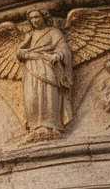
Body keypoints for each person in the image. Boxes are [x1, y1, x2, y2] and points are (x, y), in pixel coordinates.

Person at [17, 10, 74, 140]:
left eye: (37, 17)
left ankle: (51, 125)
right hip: (31, 68)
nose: (35, 20)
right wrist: (26, 53)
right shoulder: (28, 36)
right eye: (32, 18)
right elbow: (19, 52)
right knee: (32, 96)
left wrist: (58, 55)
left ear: (44, 17)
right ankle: (34, 126)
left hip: (48, 66)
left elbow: (63, 48)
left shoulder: (53, 32)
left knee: (49, 94)